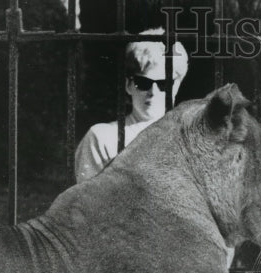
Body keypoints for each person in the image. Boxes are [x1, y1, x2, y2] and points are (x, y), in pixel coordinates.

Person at [74, 29, 189, 183]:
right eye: (143, 83)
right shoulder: (102, 138)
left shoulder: (190, 138)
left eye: (163, 83)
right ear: (128, 85)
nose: (153, 92)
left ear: (176, 86)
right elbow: (88, 201)